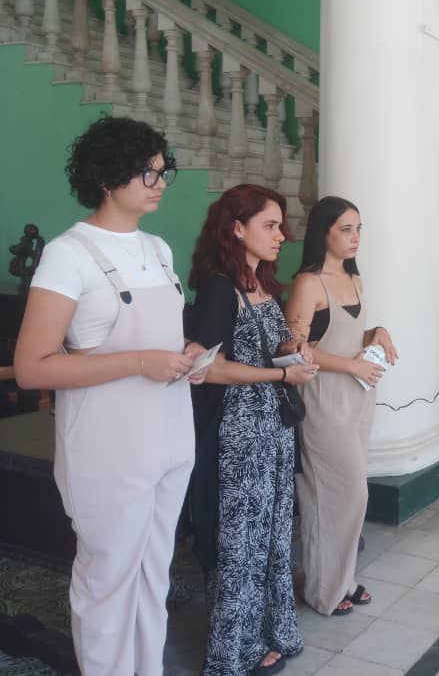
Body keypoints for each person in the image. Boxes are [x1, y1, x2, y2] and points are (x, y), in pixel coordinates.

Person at [13, 117, 206, 676]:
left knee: (155, 572)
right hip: (108, 448)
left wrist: (185, 355)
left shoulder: (160, 249)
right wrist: (141, 363)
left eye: (163, 169)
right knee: (107, 579)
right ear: (106, 176)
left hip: (169, 436)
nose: (160, 180)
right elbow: (32, 367)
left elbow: (162, 339)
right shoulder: (69, 254)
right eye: (148, 170)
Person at [188, 184, 318, 675]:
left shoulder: (260, 281)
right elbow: (210, 367)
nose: (282, 235)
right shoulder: (220, 287)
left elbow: (264, 344)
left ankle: (270, 631)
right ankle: (232, 654)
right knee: (239, 547)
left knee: (270, 538)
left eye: (281, 225)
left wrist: (292, 349)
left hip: (272, 430)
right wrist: (282, 374)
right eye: (270, 225)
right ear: (237, 228)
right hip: (240, 436)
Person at [283, 197, 398, 617]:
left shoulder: (354, 278)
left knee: (347, 496)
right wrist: (350, 363)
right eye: (346, 229)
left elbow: (351, 334)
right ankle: (323, 588)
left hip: (359, 397)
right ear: (323, 233)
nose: (355, 238)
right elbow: (296, 351)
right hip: (323, 401)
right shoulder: (308, 283)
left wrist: (378, 332)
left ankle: (341, 579)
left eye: (359, 229)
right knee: (338, 494)